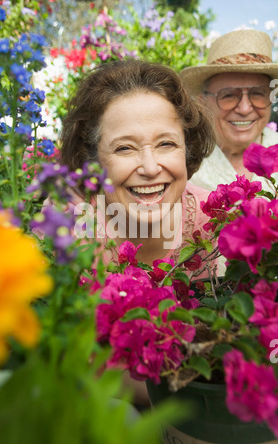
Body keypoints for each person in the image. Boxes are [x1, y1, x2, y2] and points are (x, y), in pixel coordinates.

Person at [58, 59, 219, 407]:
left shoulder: (218, 224)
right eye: (125, 148)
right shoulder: (72, 239)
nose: (149, 167)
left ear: (187, 150)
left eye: (166, 144)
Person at [179, 29, 278, 193]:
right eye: (229, 95)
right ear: (203, 103)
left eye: (257, 94)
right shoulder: (182, 162)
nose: (245, 109)